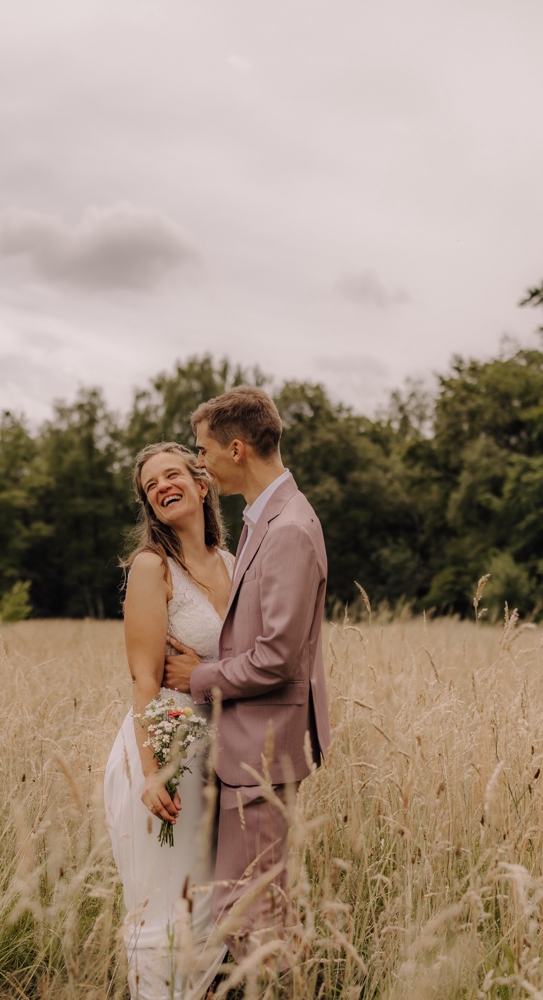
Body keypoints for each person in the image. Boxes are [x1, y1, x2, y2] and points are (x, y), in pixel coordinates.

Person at [162, 386, 331, 965]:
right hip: (248, 745)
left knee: (256, 916)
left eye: (203, 451)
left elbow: (279, 655)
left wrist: (198, 677)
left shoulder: (288, 529)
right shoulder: (263, 519)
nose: (198, 464)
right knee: (247, 905)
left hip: (263, 747)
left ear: (237, 449)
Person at [103, 442, 232, 999]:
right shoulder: (152, 568)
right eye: (150, 485)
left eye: (172, 474)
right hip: (166, 747)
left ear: (202, 484)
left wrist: (206, 670)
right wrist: (153, 770)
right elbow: (143, 679)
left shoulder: (235, 562)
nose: (160, 487)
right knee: (167, 906)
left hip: (224, 754)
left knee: (208, 902)